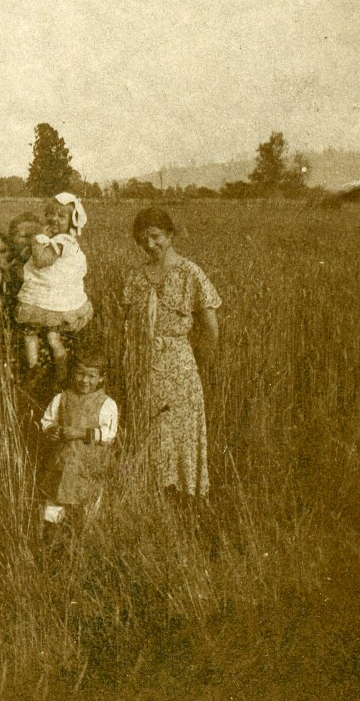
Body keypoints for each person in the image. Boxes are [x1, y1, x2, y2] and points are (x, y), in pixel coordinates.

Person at [122, 207, 221, 502]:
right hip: (144, 363)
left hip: (180, 364)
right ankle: (154, 496)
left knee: (180, 430)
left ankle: (186, 497)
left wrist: (198, 363)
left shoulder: (191, 273)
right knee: (151, 428)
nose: (150, 246)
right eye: (143, 241)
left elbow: (210, 328)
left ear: (170, 235)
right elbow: (127, 325)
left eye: (155, 238)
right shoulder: (137, 278)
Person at [37, 347, 118, 526]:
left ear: (101, 378)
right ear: (73, 373)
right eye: (80, 374)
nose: (85, 380)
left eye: (91, 376)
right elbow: (47, 421)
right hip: (63, 460)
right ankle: (52, 536)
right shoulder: (62, 398)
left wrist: (80, 433)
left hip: (90, 462)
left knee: (87, 502)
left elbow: (109, 435)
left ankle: (84, 537)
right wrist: (53, 430)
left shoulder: (106, 404)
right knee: (56, 496)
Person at [16, 193, 93, 381]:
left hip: (48, 301)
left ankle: (39, 369)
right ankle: (55, 373)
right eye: (51, 214)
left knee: (32, 332)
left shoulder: (62, 242)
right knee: (51, 336)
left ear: (72, 222)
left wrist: (38, 238)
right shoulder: (64, 241)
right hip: (54, 300)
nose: (54, 219)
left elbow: (42, 261)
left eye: (61, 216)